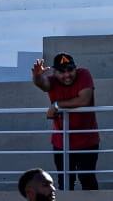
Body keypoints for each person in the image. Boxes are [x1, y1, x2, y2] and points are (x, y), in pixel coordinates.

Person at [30, 52, 99, 191]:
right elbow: (42, 84)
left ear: (75, 69)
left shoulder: (84, 74)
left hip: (87, 141)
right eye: (62, 71)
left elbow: (84, 100)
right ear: (54, 73)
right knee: (65, 181)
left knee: (87, 178)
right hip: (62, 142)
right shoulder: (53, 81)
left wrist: (56, 105)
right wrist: (37, 76)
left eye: (70, 70)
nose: (67, 75)